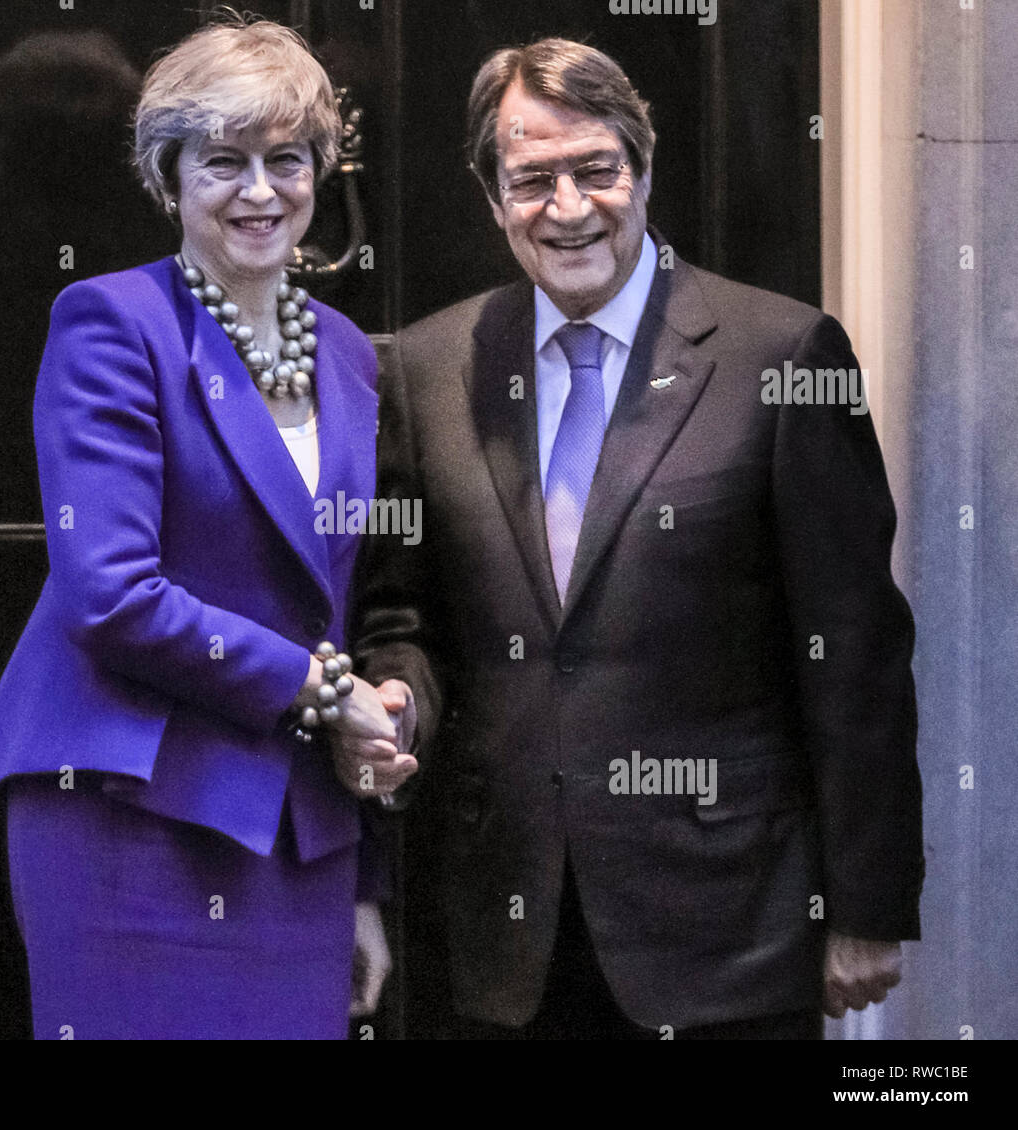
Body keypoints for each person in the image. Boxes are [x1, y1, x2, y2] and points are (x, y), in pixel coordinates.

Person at [344, 37, 923, 1039]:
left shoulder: (780, 355)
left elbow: (855, 653)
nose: (567, 207)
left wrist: (864, 905)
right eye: (531, 178)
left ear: (643, 169)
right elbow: (403, 613)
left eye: (595, 169)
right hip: (499, 928)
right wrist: (399, 694)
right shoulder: (428, 368)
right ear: (492, 197)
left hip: (726, 933)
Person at [0, 13, 416, 1040]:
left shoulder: (346, 352)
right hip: (132, 812)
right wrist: (324, 691)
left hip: (296, 838)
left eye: (285, 159)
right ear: (169, 176)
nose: (260, 190)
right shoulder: (113, 323)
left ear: (320, 169)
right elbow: (110, 594)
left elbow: (328, 603)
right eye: (223, 161)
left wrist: (361, 880)